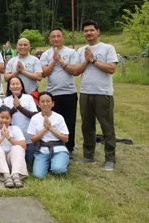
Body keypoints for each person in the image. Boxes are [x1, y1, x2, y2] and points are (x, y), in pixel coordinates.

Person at [76, 20, 118, 171]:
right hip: (86, 92)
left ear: (98, 31)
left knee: (107, 126)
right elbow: (77, 71)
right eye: (86, 31)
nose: (88, 33)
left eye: (91, 30)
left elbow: (111, 68)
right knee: (87, 125)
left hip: (103, 92)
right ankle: (88, 155)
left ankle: (110, 159)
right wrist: (86, 61)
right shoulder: (81, 50)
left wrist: (93, 60)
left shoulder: (108, 48)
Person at [40, 27, 80, 157]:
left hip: (69, 92)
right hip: (53, 93)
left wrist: (61, 60)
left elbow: (74, 71)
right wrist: (53, 60)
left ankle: (69, 148)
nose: (56, 39)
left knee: (69, 121)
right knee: (54, 122)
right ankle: (56, 146)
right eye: (53, 36)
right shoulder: (46, 54)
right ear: (50, 39)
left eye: (58, 36)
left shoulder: (71, 52)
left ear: (63, 38)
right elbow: (44, 73)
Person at [28, 92, 69, 179]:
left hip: (58, 149)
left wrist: (51, 129)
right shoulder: (35, 118)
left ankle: (59, 162)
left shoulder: (59, 117)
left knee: (59, 170)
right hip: (42, 150)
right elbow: (33, 139)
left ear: (53, 103)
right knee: (38, 175)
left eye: (48, 101)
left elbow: (66, 139)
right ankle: (52, 163)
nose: (45, 104)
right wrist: (45, 129)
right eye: (42, 102)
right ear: (38, 104)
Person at [0, 106, 27, 188]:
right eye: (2, 117)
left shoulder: (15, 129)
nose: (4, 120)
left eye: (7, 118)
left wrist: (9, 138)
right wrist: (1, 138)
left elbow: (24, 146)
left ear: (10, 119)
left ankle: (16, 175)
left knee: (17, 147)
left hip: (12, 162)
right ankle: (6, 176)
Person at [3, 76, 38, 165]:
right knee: (17, 161)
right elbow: (3, 117)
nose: (15, 86)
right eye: (12, 84)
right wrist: (14, 109)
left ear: (21, 86)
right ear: (9, 87)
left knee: (30, 162)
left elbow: (35, 116)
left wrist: (19, 107)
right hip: (13, 138)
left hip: (28, 137)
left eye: (17, 84)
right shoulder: (6, 100)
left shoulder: (29, 98)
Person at [4, 38, 43, 103]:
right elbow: (6, 78)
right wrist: (16, 72)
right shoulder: (12, 61)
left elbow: (39, 77)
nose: (22, 47)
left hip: (31, 94)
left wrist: (23, 71)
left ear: (29, 47)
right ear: (17, 46)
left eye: (25, 45)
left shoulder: (35, 60)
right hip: (14, 96)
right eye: (20, 45)